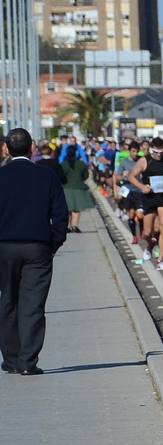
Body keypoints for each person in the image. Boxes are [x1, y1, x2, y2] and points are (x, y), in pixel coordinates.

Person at [0, 128, 68, 376]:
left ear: (6, 149)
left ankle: (10, 358)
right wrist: (52, 243)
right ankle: (28, 361)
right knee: (33, 304)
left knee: (7, 301)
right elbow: (60, 215)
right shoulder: (46, 176)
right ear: (32, 148)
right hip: (37, 247)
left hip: (3, 247)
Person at [125, 137, 163, 270]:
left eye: (161, 152)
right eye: (155, 152)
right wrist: (142, 187)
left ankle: (160, 260)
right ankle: (150, 245)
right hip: (150, 197)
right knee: (147, 233)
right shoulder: (144, 160)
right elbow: (131, 176)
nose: (158, 155)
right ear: (150, 149)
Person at [58, 141, 93, 233]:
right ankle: (74, 226)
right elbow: (86, 175)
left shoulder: (63, 164)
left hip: (66, 189)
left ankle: (68, 226)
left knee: (68, 209)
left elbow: (60, 176)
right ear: (75, 153)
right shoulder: (81, 164)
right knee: (76, 209)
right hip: (79, 188)